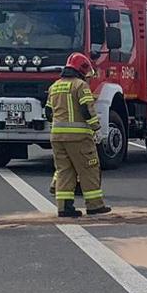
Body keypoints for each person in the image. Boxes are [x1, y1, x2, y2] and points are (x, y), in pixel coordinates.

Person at [48, 53, 111, 218]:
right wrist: (96, 128)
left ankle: (64, 207)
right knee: (89, 169)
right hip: (78, 137)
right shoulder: (80, 85)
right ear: (82, 69)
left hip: (56, 137)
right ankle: (94, 205)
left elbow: (48, 112)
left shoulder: (54, 86)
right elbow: (86, 110)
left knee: (64, 171)